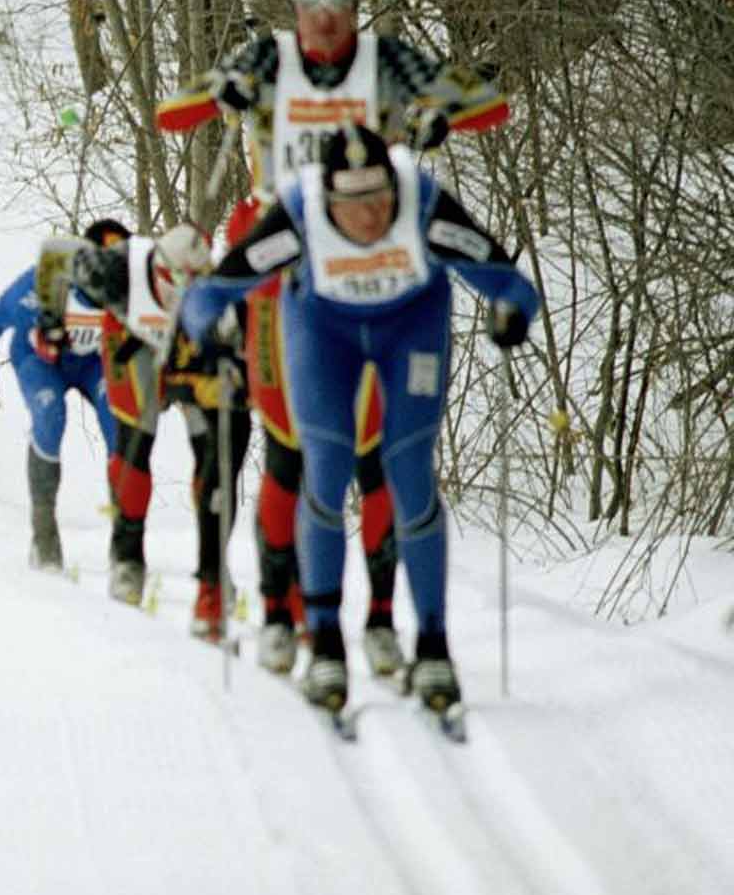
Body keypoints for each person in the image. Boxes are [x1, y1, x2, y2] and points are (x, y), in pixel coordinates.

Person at [157, 0, 510, 676]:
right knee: (290, 444)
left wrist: (446, 110)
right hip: (278, 270)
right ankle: (283, 611)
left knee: (381, 449)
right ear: (293, 7)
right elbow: (170, 113)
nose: (323, 24)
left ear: (357, 7)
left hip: (374, 266)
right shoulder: (268, 60)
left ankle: (380, 616)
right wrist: (217, 94)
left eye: (339, 9)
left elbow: (487, 102)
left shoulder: (386, 60)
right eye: (310, 8)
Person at [179, 124, 540, 715]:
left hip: (411, 328)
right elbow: (215, 290)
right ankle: (323, 642)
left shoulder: (421, 202)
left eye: (378, 199)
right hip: (324, 332)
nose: (370, 216)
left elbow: (506, 277)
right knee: (325, 462)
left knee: (409, 471)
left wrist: (511, 312)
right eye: (352, 204)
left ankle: (432, 644)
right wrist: (209, 327)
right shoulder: (299, 213)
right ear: (328, 198)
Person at [77, 223, 250, 641]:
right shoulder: (125, 264)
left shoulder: (217, 289)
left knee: (210, 448)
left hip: (187, 351)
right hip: (132, 342)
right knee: (137, 435)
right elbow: (76, 268)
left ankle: (213, 562)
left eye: (192, 282)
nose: (181, 288)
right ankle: (127, 556)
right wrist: (107, 308)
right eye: (174, 279)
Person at [0, 218, 127, 570]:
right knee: (50, 418)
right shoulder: (37, 284)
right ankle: (44, 537)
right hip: (40, 362)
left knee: (119, 420)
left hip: (94, 363)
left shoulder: (131, 286)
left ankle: (125, 543)